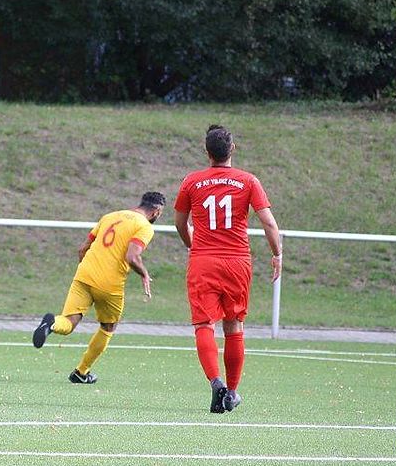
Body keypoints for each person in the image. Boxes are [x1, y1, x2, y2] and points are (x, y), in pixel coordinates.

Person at [174, 124, 281, 414]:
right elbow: (269, 223)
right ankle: (231, 392)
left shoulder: (191, 181)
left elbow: (180, 222)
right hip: (237, 262)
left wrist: (192, 245)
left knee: (203, 324)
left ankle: (216, 382)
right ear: (232, 149)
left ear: (206, 151)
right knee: (234, 325)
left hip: (203, 261)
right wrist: (277, 254)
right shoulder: (248, 181)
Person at [32, 191, 166, 384]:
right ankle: (81, 372)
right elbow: (132, 257)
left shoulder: (110, 216)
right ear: (156, 212)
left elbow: (82, 249)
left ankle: (51, 323)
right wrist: (144, 274)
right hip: (109, 284)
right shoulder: (144, 226)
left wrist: (86, 272)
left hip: (84, 274)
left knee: (68, 322)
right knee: (108, 326)